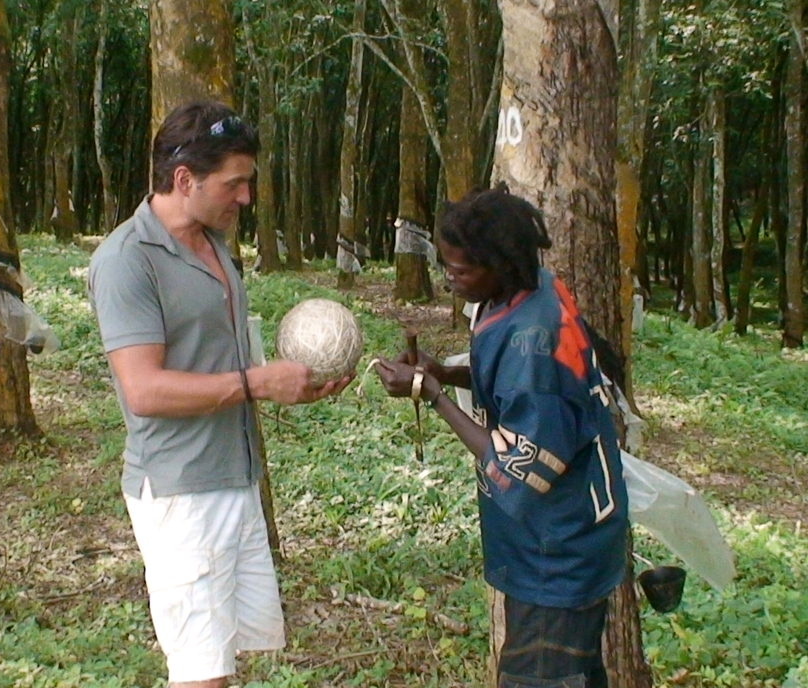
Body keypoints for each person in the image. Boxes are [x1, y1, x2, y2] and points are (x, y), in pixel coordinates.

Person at [88, 99, 352, 688]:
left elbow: (223, 368)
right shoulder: (127, 260)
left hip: (236, 477)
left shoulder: (216, 250)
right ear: (185, 180)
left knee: (229, 660)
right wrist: (256, 382)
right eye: (235, 183)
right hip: (184, 494)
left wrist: (284, 388)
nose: (246, 198)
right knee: (199, 672)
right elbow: (144, 390)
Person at [375, 186, 628, 688]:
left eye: (462, 270)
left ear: (500, 262)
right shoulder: (532, 291)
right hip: (560, 545)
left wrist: (430, 393)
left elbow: (522, 465)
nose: (450, 279)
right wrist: (446, 373)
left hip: (556, 559)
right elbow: (507, 385)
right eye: (445, 266)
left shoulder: (534, 347)